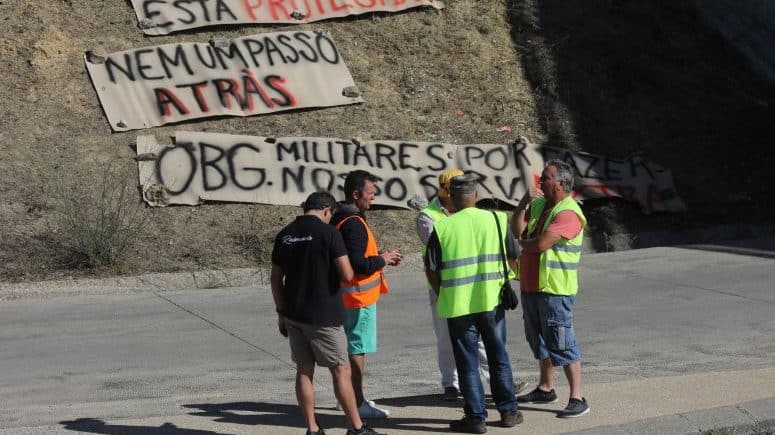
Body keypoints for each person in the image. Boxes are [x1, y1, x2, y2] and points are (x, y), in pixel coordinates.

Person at [270, 192, 385, 435]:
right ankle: (356, 428)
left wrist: (281, 312)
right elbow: (347, 274)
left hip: (294, 314)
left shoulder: (285, 235)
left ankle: (312, 428)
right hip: (324, 314)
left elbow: (275, 279)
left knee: (304, 370)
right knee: (340, 370)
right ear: (326, 210)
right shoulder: (329, 233)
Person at [417, 169, 530, 401]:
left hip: (472, 292)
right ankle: (453, 385)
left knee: (476, 351)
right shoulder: (429, 217)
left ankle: (482, 403)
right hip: (458, 292)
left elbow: (433, 264)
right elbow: (512, 255)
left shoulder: (447, 224)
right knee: (450, 341)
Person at [510, 159, 590, 418]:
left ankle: (577, 397)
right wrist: (522, 204)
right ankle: (546, 388)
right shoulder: (539, 204)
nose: (540, 181)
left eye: (545, 177)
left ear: (560, 183)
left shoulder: (569, 213)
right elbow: (517, 229)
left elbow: (540, 244)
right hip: (532, 285)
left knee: (562, 342)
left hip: (555, 289)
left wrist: (522, 242)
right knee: (538, 339)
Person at [332, 170, 402, 419]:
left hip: (346, 297)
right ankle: (357, 402)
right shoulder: (353, 223)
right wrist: (383, 259)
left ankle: (346, 397)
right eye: (370, 193)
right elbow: (358, 264)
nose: (373, 197)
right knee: (356, 349)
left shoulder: (340, 218)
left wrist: (379, 256)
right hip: (358, 299)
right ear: (355, 194)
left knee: (349, 348)